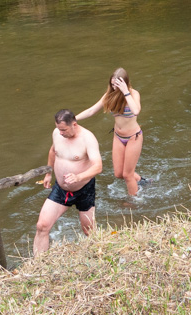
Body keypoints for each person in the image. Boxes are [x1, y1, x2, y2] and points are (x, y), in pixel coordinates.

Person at [34, 109, 102, 256]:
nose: (61, 133)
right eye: (58, 129)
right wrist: (48, 173)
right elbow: (53, 151)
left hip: (84, 189)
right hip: (61, 189)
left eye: (64, 129)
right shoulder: (57, 133)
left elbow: (98, 166)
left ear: (74, 125)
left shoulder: (87, 138)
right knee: (42, 226)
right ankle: (38, 264)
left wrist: (79, 177)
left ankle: (99, 257)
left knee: (88, 230)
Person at [75, 68, 145, 197]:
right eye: (112, 84)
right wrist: (73, 119)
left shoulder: (133, 94)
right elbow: (91, 111)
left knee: (127, 175)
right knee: (118, 174)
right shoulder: (109, 94)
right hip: (118, 136)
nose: (114, 88)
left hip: (133, 137)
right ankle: (142, 182)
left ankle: (134, 204)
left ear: (125, 83)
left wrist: (125, 92)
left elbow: (136, 111)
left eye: (117, 85)